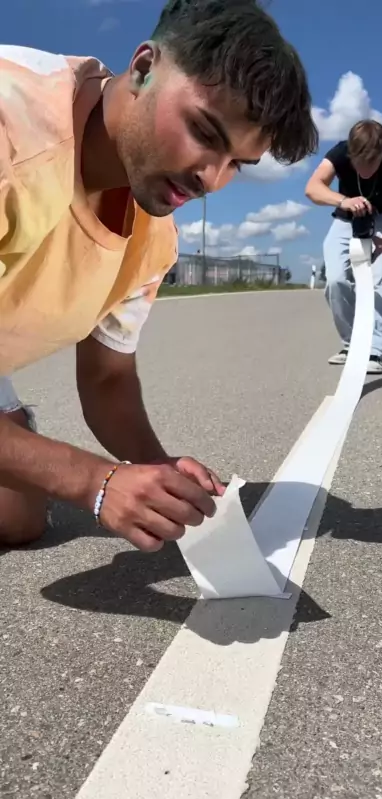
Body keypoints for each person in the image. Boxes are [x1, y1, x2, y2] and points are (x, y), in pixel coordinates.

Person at [0, 0, 318, 549]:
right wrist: (94, 482)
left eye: (238, 164)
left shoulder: (152, 238)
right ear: (144, 67)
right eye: (205, 131)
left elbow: (107, 377)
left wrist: (156, 467)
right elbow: (91, 481)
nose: (211, 180)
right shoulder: (13, 139)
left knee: (17, 521)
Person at [305, 120, 382, 374]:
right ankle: (352, 344)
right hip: (346, 217)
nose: (365, 169)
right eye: (359, 162)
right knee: (336, 280)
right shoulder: (340, 152)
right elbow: (312, 188)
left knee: (378, 278)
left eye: (371, 162)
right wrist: (344, 200)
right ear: (351, 152)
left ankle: (375, 350)